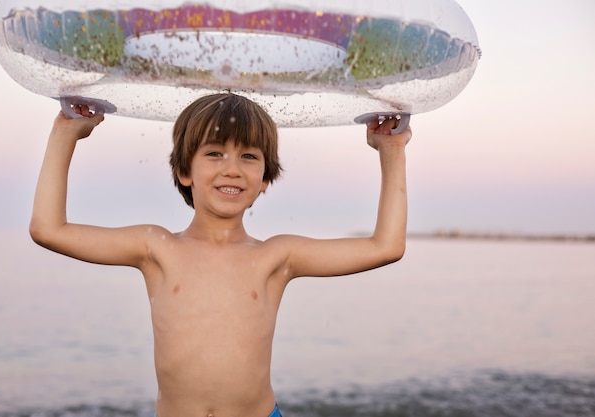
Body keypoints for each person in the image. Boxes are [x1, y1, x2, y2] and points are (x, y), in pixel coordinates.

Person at [29, 93, 411, 417]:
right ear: (184, 171)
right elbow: (49, 229)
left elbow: (386, 246)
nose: (232, 169)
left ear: (265, 180)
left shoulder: (276, 257)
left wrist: (391, 150)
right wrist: (65, 132)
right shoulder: (156, 248)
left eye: (249, 156)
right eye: (214, 153)